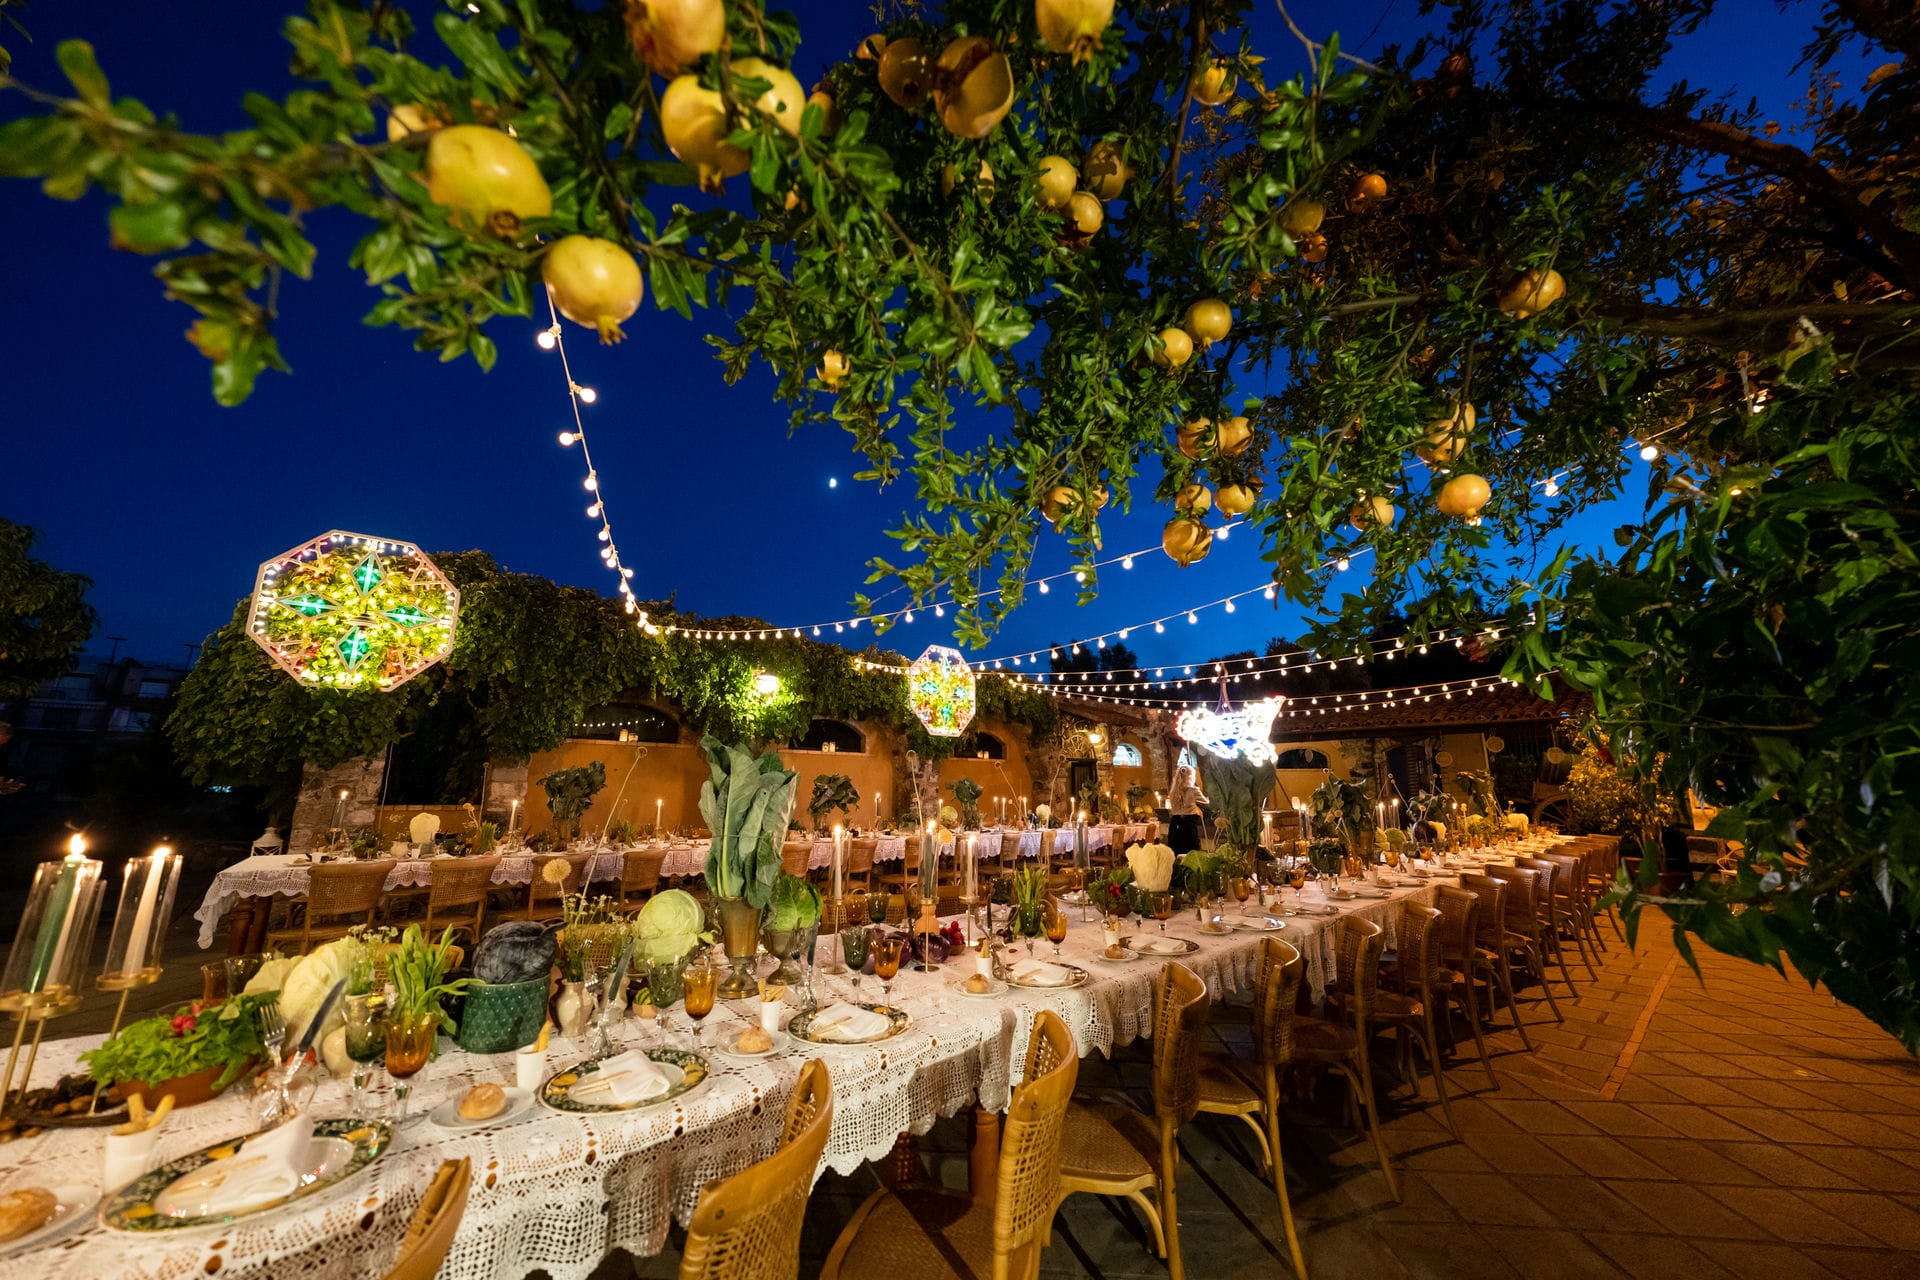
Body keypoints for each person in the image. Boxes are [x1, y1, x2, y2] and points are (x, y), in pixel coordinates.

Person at [1166, 762, 1206, 856]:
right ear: (1191, 776)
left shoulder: (1173, 792)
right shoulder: (1194, 790)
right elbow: (1206, 803)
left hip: (1175, 824)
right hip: (1188, 824)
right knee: (1190, 853)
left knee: (1175, 852)